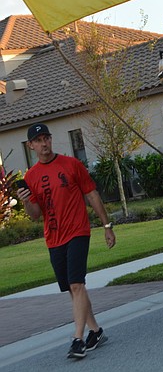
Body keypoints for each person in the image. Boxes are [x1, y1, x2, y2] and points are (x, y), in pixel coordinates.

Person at [16, 123, 115, 359]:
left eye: (46, 138)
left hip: (78, 232)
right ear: (31, 146)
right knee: (73, 289)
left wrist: (107, 226)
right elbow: (35, 214)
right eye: (38, 140)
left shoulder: (71, 165)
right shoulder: (31, 177)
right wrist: (26, 201)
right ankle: (95, 331)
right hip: (54, 238)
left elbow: (91, 194)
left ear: (51, 140)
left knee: (76, 285)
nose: (44, 144)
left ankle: (77, 339)